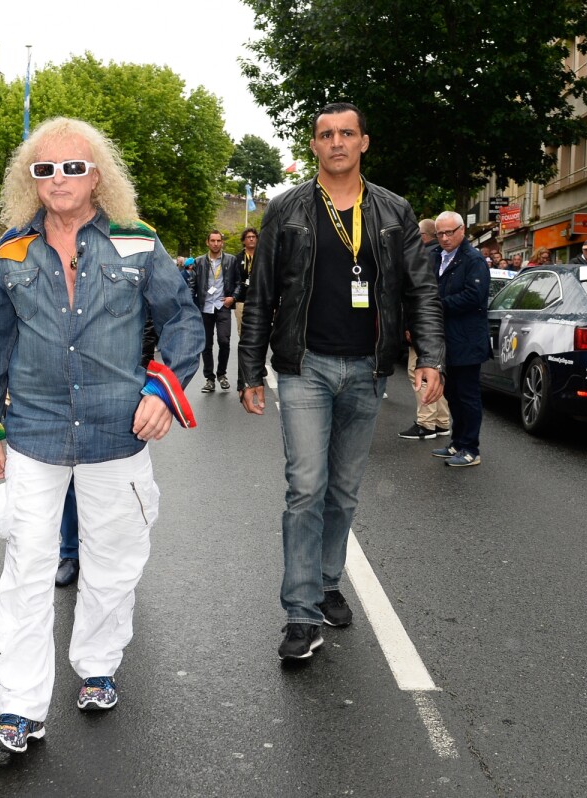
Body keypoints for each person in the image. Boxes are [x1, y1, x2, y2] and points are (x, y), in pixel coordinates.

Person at [0, 117, 203, 754]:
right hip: (34, 433)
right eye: (44, 170)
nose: (58, 180)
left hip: (116, 433)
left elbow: (183, 324)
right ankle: (18, 709)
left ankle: (98, 666)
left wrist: (163, 390)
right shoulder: (12, 252)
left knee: (113, 561)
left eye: (73, 167)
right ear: (31, 180)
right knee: (26, 567)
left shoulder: (137, 243)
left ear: (98, 174)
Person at [237, 102, 445, 661]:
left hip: (368, 368)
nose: (336, 142)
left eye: (346, 133)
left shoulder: (394, 211)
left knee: (343, 489)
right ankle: (301, 614)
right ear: (314, 145)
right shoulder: (287, 210)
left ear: (364, 142)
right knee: (305, 487)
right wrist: (249, 368)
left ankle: (329, 581)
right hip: (303, 366)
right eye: (326, 134)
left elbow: (420, 290)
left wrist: (431, 355)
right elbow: (260, 295)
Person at [429, 211, 489, 468]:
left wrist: (437, 305)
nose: (444, 238)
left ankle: (470, 448)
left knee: (467, 396)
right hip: (446, 339)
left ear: (462, 230)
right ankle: (457, 441)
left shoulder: (473, 259)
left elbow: (474, 297)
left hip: (467, 339)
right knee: (452, 394)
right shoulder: (435, 256)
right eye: (440, 233)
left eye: (449, 232)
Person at [398, 218, 452, 441]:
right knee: (434, 373)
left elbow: (419, 297)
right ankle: (441, 421)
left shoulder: (424, 258)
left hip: (424, 328)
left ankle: (426, 423)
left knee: (419, 372)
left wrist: (410, 326)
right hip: (438, 328)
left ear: (422, 237)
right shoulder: (440, 256)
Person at [192, 230, 240, 392]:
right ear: (207, 242)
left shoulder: (231, 260)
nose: (215, 243)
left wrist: (232, 297)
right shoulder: (199, 262)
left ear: (222, 242)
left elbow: (239, 282)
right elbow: (192, 286)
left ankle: (221, 374)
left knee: (224, 341)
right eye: (212, 240)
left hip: (222, 307)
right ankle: (209, 379)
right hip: (205, 307)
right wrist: (191, 307)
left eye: (218, 241)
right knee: (206, 345)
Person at [235, 227, 257, 339]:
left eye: (253, 237)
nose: (251, 239)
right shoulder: (238, 258)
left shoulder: (263, 257)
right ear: (244, 240)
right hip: (242, 299)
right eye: (248, 237)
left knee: (258, 332)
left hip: (259, 300)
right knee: (243, 332)